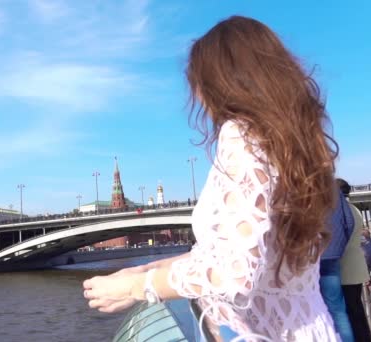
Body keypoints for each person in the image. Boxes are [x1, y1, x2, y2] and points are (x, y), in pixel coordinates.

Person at [83, 16, 340, 341]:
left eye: (199, 83)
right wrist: (147, 269)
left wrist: (138, 288)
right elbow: (243, 251)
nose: (199, 98)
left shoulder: (242, 138)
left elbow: (234, 274)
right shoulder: (295, 145)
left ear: (221, 82)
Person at [337, 179, 371, 342]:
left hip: (345, 267)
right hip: (356, 265)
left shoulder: (338, 211)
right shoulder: (355, 209)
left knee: (348, 310)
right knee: (356, 309)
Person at [319, 188, 354, 342]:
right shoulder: (332, 187)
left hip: (304, 255)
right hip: (331, 254)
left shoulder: (292, 183)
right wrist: (339, 246)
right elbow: (349, 221)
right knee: (338, 310)